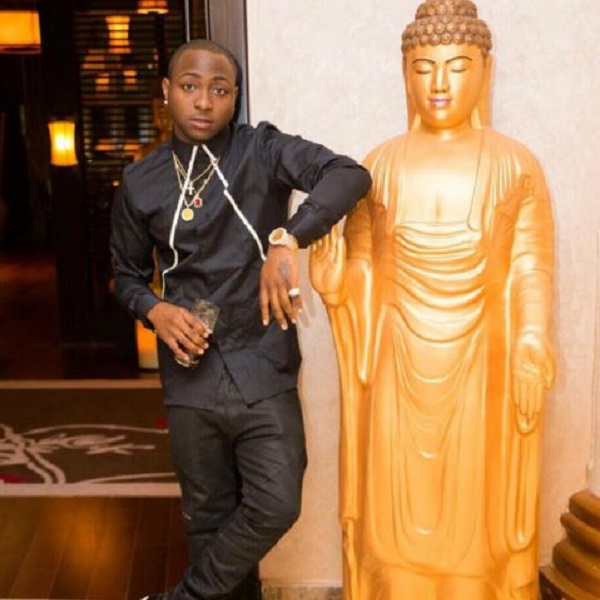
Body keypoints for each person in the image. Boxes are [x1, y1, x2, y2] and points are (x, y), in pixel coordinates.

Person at [310, 1, 555, 598]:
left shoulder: (515, 164)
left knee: (474, 499)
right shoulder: (379, 165)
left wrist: (531, 336)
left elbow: (530, 264)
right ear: (406, 74)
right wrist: (336, 285)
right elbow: (362, 263)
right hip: (396, 355)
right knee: (392, 499)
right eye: (423, 68)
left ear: (484, 71)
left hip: (481, 360)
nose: (439, 83)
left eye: (457, 66)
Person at [110, 39, 371, 600]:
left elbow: (348, 175)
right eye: (190, 86)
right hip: (189, 368)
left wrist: (289, 237)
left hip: (262, 359)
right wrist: (155, 309)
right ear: (167, 91)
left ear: (235, 98)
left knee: (276, 500)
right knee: (207, 515)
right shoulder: (141, 181)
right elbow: (125, 276)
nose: (204, 101)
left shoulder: (262, 150)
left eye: (220, 90)